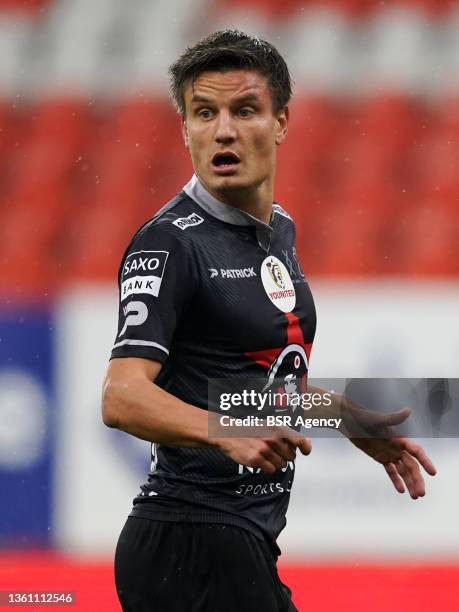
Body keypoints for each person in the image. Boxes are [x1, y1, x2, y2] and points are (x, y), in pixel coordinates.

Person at [102, 30, 436, 612]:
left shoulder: (278, 232)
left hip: (242, 540)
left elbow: (246, 392)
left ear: (281, 122)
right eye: (204, 113)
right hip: (188, 542)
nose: (223, 130)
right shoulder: (169, 244)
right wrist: (222, 433)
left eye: (245, 110)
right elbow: (122, 397)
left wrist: (348, 417)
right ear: (185, 130)